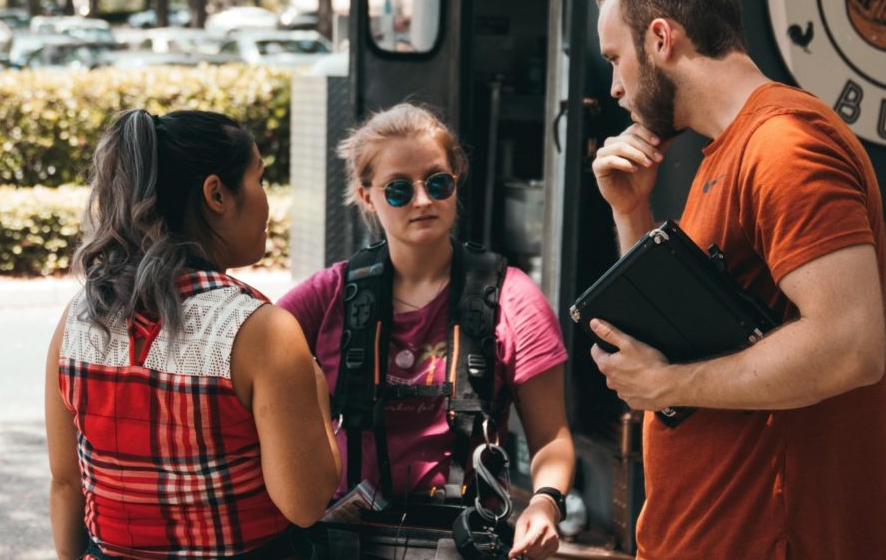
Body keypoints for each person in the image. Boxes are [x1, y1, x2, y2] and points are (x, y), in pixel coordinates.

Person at [589, 0, 886, 559]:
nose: (617, 88)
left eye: (616, 60)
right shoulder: (726, 151)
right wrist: (631, 212)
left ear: (660, 39)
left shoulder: (784, 145)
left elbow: (851, 346)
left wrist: (668, 384)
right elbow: (674, 328)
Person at [277, 103, 574, 560]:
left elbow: (551, 436)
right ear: (367, 197)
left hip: (464, 537)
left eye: (438, 182)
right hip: (348, 538)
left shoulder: (512, 297)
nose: (422, 200)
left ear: (457, 182)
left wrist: (545, 502)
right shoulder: (330, 294)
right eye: (398, 189)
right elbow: (249, 358)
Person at [44, 109, 341, 559]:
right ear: (216, 194)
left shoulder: (81, 317)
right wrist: (314, 388)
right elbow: (304, 504)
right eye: (259, 179)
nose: (267, 201)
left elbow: (67, 483)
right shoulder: (262, 332)